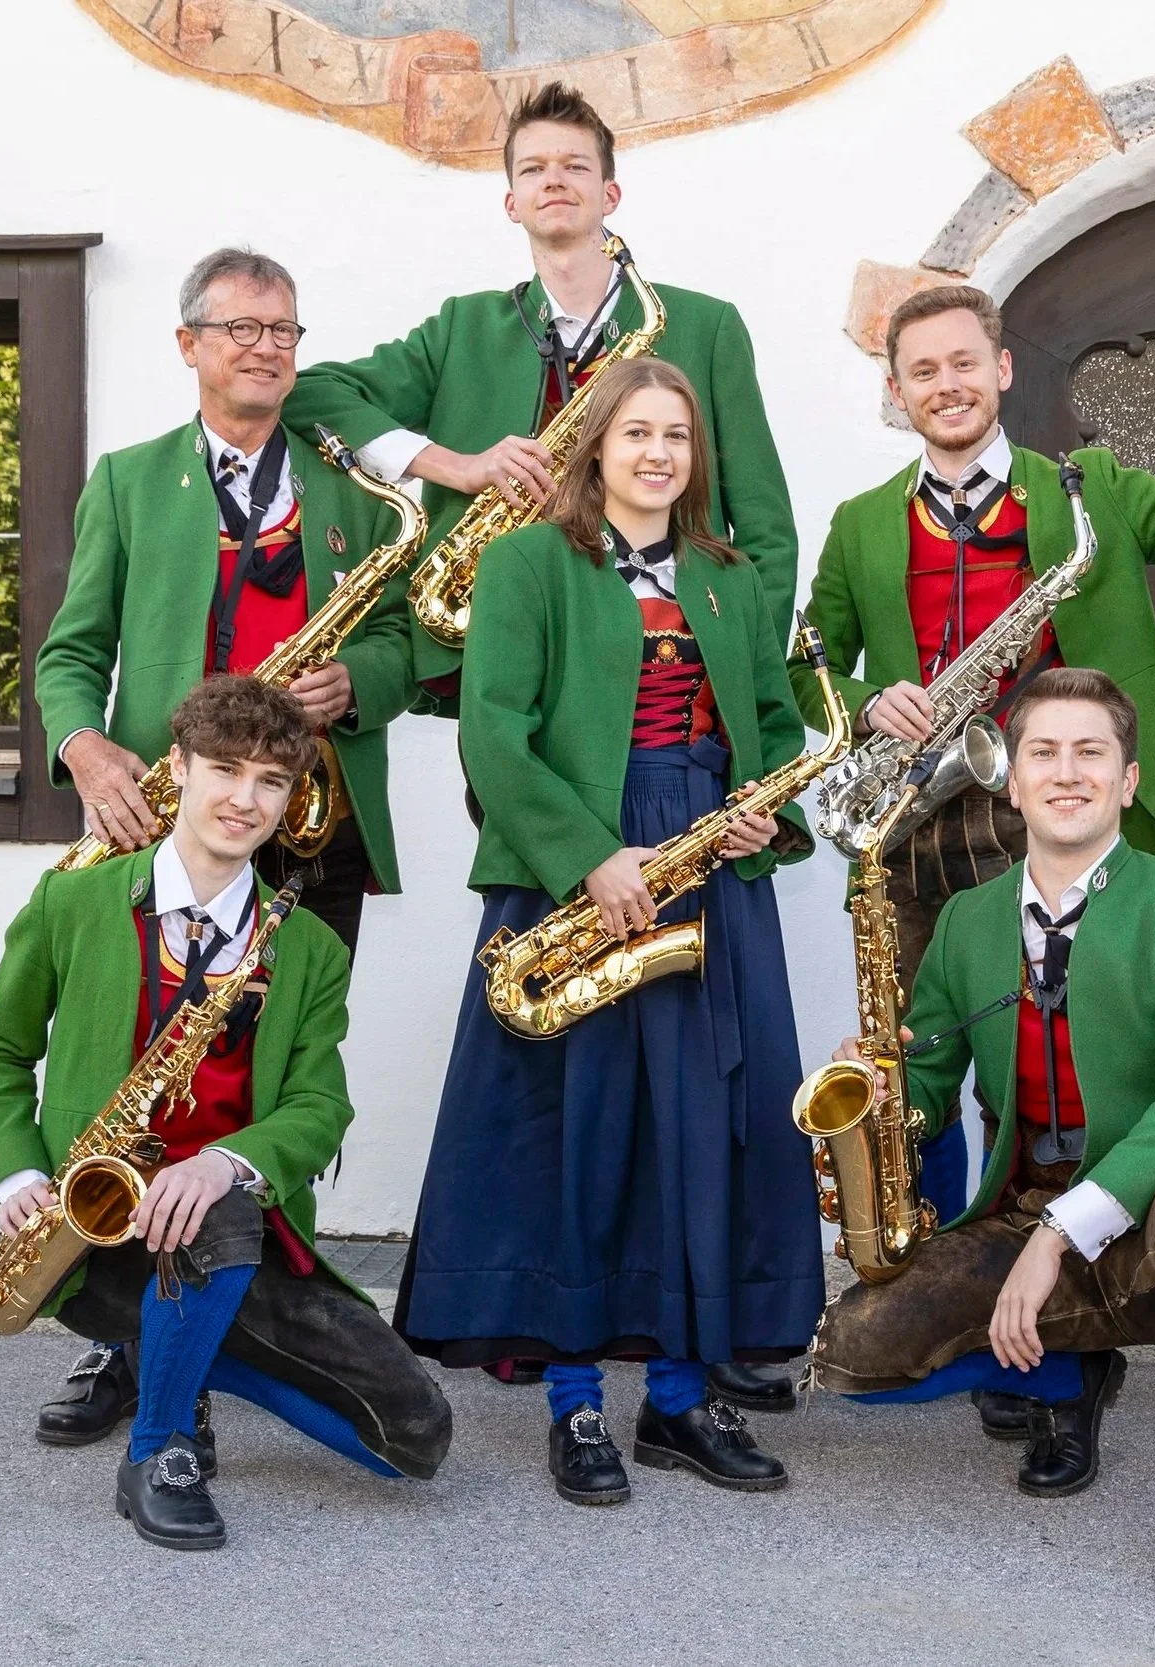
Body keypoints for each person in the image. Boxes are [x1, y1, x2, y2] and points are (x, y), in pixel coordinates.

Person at [790, 283, 1155, 1437]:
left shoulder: (1084, 487)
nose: (945, 386)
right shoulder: (861, 521)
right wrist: (862, 701)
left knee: (1085, 1060)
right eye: (922, 372)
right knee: (920, 1072)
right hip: (917, 823)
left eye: (965, 364)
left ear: (1002, 370)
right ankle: (979, 1297)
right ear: (895, 392)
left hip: (1051, 810)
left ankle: (1074, 1317)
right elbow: (805, 658)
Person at [391, 359, 822, 1504]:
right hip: (574, 866)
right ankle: (575, 1400)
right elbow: (494, 731)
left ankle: (679, 1399)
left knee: (702, 1132)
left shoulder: (729, 579)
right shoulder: (530, 559)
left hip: (706, 867)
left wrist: (762, 812)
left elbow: (771, 728)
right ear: (594, 447)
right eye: (635, 432)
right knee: (576, 1131)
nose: (656, 454)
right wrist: (589, 855)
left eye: (676, 436)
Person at [29, 246, 418, 1448]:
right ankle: (133, 1335)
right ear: (190, 343)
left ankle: (249, 1306)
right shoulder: (131, 479)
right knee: (142, 1076)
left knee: (280, 1078)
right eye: (241, 327)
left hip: (317, 829)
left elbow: (417, 646)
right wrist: (88, 753)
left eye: (285, 331)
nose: (265, 347)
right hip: (172, 823)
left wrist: (363, 676)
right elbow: (67, 650)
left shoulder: (350, 489)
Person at [808, 668, 1155, 1610]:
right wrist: (881, 1090)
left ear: (1126, 781)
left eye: (1090, 753)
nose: (1065, 773)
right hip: (1030, 1198)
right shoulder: (960, 921)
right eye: (1043, 752)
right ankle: (1072, 1372)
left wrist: (1057, 1235)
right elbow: (931, 1082)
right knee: (855, 1355)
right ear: (1011, 779)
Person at [0, 677, 451, 1552]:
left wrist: (225, 1161)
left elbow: (317, 1103)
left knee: (413, 1439)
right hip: (97, 1225)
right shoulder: (70, 903)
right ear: (178, 768)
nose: (244, 798)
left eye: (270, 780)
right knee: (215, 1219)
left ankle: (172, 1347)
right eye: (224, 769)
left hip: (234, 1221)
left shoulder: (307, 948)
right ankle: (161, 1448)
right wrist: (20, 1173)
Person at [283, 78, 798, 679]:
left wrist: (747, 673)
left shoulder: (706, 327)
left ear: (610, 194)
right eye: (532, 169)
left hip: (669, 661)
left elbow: (766, 526)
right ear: (512, 202)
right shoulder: (462, 328)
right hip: (510, 655)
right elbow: (309, 393)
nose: (553, 179)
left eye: (574, 165)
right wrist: (458, 466)